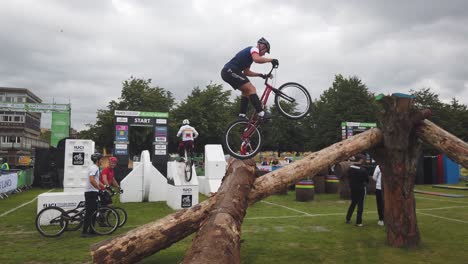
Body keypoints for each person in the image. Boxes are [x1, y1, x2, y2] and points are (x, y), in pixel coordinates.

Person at [221, 37, 279, 120]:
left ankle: (242, 116)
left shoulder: (249, 58)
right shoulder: (254, 49)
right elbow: (257, 59)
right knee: (252, 88)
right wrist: (271, 60)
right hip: (230, 70)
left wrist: (261, 75)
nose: (264, 54)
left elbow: (246, 73)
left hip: (229, 72)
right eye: (265, 51)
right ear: (261, 46)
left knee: (246, 91)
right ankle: (261, 113)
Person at [82, 153, 106, 237]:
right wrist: (99, 189)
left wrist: (105, 186)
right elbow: (92, 180)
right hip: (90, 192)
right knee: (89, 212)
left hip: (93, 192)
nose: (102, 160)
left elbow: (97, 181)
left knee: (94, 212)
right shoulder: (94, 168)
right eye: (101, 159)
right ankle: (84, 232)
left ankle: (92, 230)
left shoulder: (96, 168)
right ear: (97, 160)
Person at [346, 154, 369, 227]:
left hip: (353, 188)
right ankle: (359, 222)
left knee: (353, 203)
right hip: (360, 188)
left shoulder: (350, 168)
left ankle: (348, 218)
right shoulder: (363, 170)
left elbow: (348, 177)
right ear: (361, 160)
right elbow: (367, 180)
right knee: (360, 204)